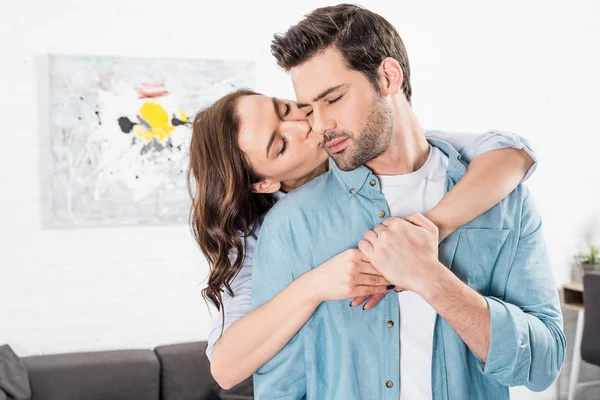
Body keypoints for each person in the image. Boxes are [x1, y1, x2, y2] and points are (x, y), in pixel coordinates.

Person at [249, 4, 565, 400]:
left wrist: (431, 280)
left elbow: (544, 364)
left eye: (334, 99)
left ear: (388, 76)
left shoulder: (502, 199)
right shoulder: (292, 223)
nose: (320, 124)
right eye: (310, 108)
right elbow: (279, 386)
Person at [190, 87, 537, 390]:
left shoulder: (372, 148)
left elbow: (512, 155)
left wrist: (422, 233)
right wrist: (315, 285)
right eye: (281, 144)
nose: (303, 123)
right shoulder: (260, 234)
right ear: (264, 183)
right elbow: (226, 367)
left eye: (285, 108)